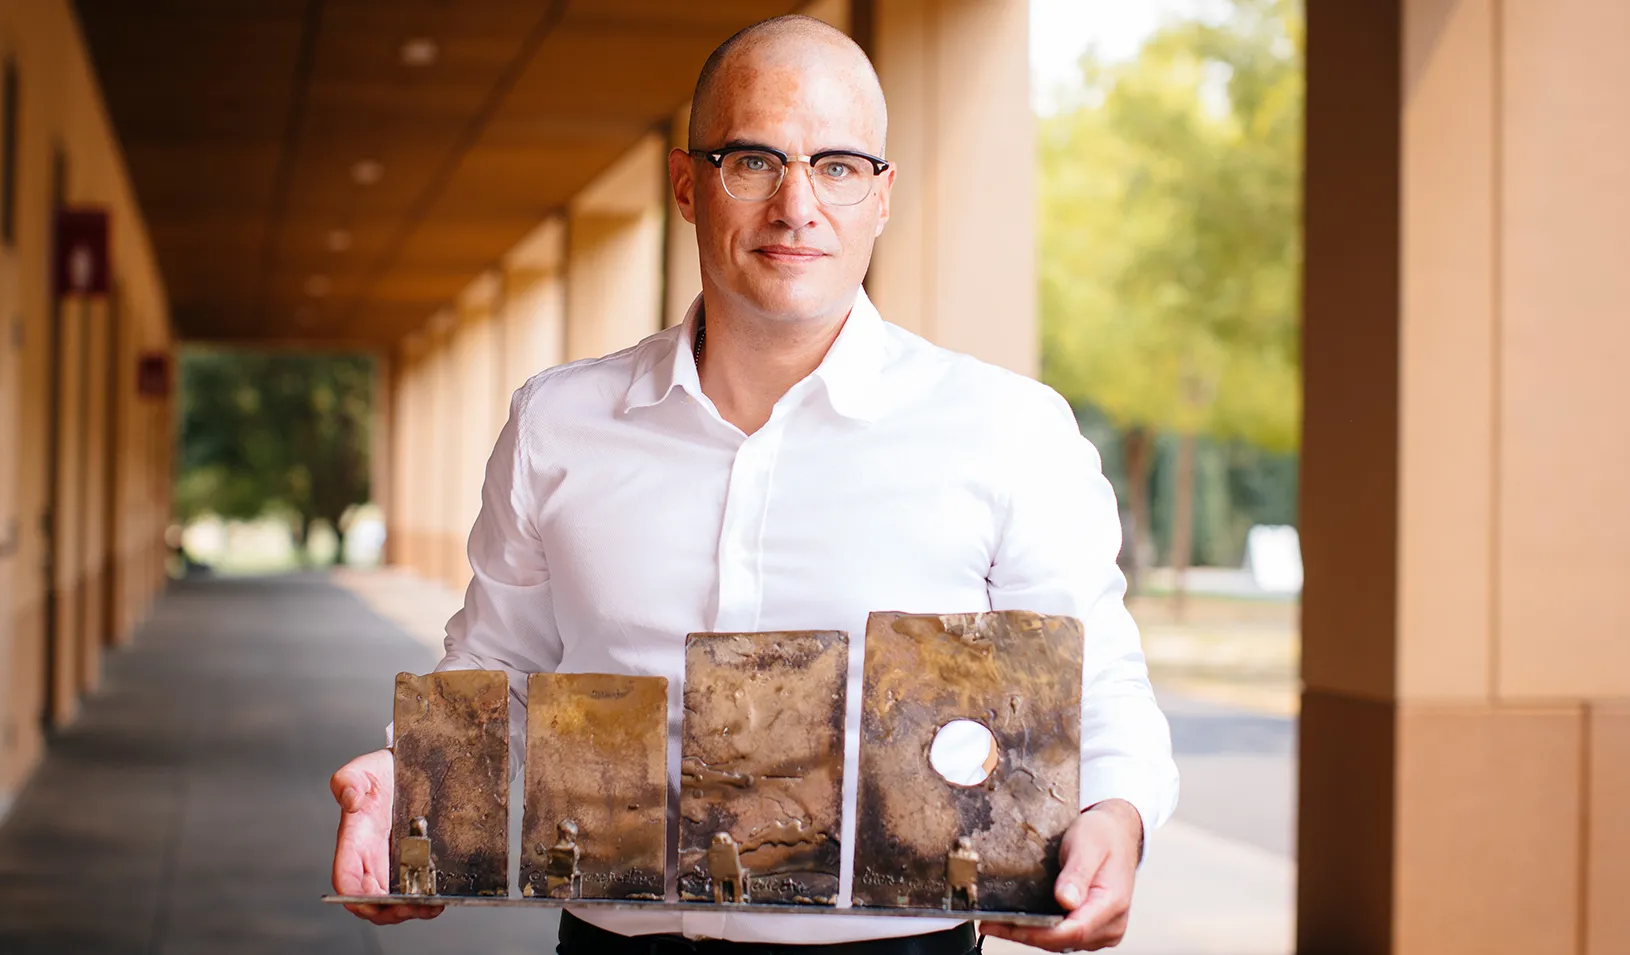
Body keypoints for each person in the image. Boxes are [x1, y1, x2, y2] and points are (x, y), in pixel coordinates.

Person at [330, 14, 1177, 954]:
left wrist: (1116, 815)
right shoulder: (556, 423)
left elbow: (1094, 683)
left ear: (882, 196)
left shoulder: (1007, 429)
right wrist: (410, 782)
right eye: (754, 161)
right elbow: (499, 671)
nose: (796, 206)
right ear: (686, 185)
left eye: (838, 166)